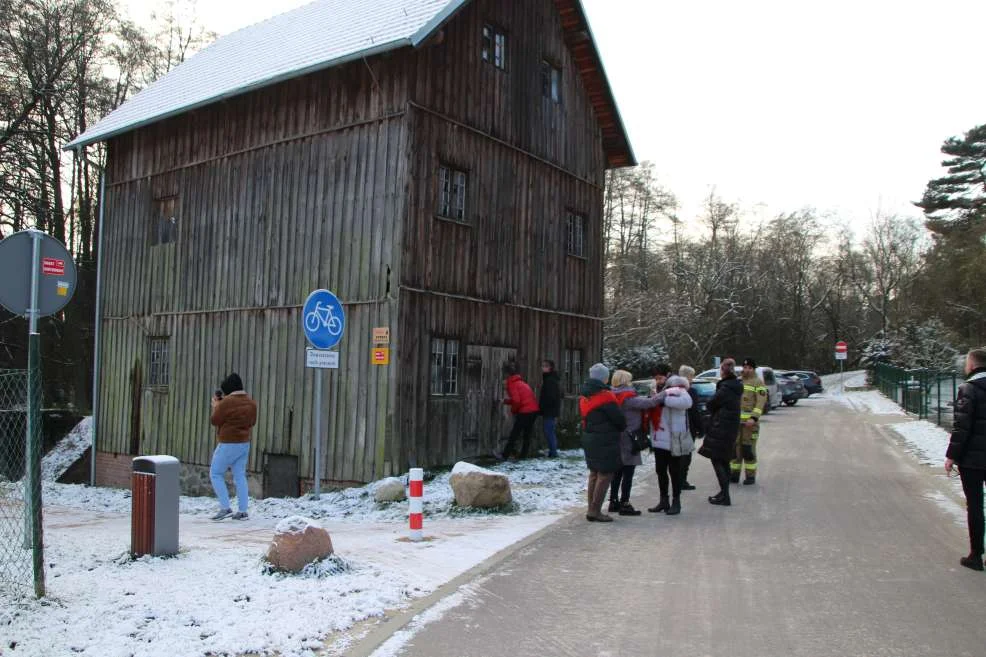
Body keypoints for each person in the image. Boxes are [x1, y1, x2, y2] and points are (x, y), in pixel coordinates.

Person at [945, 348, 986, 571]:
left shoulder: (968, 389)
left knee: (976, 506)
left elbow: (962, 427)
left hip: (972, 460)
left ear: (972, 365)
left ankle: (976, 555)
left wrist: (951, 456)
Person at [608, 370, 663, 516]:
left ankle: (613, 501)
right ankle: (625, 503)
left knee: (617, 471)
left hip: (616, 436)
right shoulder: (627, 397)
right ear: (625, 381)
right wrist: (664, 393)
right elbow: (651, 403)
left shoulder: (613, 394)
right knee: (628, 471)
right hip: (630, 437)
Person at [579, 363, 626, 522]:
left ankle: (591, 508)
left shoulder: (584, 395)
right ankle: (595, 510)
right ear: (604, 378)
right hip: (605, 439)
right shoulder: (606, 396)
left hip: (589, 437)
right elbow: (619, 420)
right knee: (605, 474)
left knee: (594, 473)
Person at [209, 373, 258, 521]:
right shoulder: (251, 403)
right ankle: (242, 511)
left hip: (228, 443)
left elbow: (215, 420)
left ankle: (225, 508)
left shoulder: (226, 402)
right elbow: (252, 422)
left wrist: (217, 406)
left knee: (215, 473)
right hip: (244, 443)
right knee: (239, 476)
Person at [699, 359, 743, 506]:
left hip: (721, 427)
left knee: (717, 459)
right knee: (724, 459)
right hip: (730, 427)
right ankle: (724, 493)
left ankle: (725, 494)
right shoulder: (736, 386)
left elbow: (712, 403)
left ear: (724, 371)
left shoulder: (726, 388)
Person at [649, 375, 693, 516]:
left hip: (674, 439)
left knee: (674, 472)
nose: (659, 380)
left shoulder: (680, 391)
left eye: (661, 378)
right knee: (660, 470)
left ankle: (676, 500)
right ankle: (664, 500)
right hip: (659, 439)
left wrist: (665, 400)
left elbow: (687, 403)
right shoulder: (656, 393)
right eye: (657, 378)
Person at [731, 358, 768, 485]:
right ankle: (734, 474)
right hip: (736, 423)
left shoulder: (758, 383)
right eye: (745, 367)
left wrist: (754, 418)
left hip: (750, 424)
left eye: (749, 368)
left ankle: (750, 476)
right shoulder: (738, 381)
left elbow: (760, 402)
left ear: (753, 369)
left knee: (748, 449)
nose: (746, 370)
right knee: (735, 449)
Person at [500, 364, 540, 460]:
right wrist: (506, 401)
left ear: (507, 376)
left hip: (525, 412)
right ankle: (523, 456)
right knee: (527, 434)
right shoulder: (521, 383)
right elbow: (519, 399)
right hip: (533, 411)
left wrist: (514, 411)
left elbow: (517, 401)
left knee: (514, 434)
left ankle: (504, 455)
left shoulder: (512, 384)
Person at [679, 365, 703, 490]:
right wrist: (701, 427)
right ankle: (682, 480)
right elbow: (694, 411)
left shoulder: (672, 389)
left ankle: (677, 479)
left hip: (676, 428)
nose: (693, 379)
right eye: (692, 376)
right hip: (689, 427)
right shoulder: (691, 391)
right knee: (686, 455)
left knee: (677, 456)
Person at [539, 360, 562, 457]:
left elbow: (551, 397)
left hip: (550, 410)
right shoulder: (549, 378)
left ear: (550, 368)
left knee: (549, 431)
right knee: (549, 430)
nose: (543, 368)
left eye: (545, 366)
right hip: (550, 410)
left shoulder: (550, 380)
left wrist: (544, 407)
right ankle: (552, 452)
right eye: (543, 365)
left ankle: (553, 453)